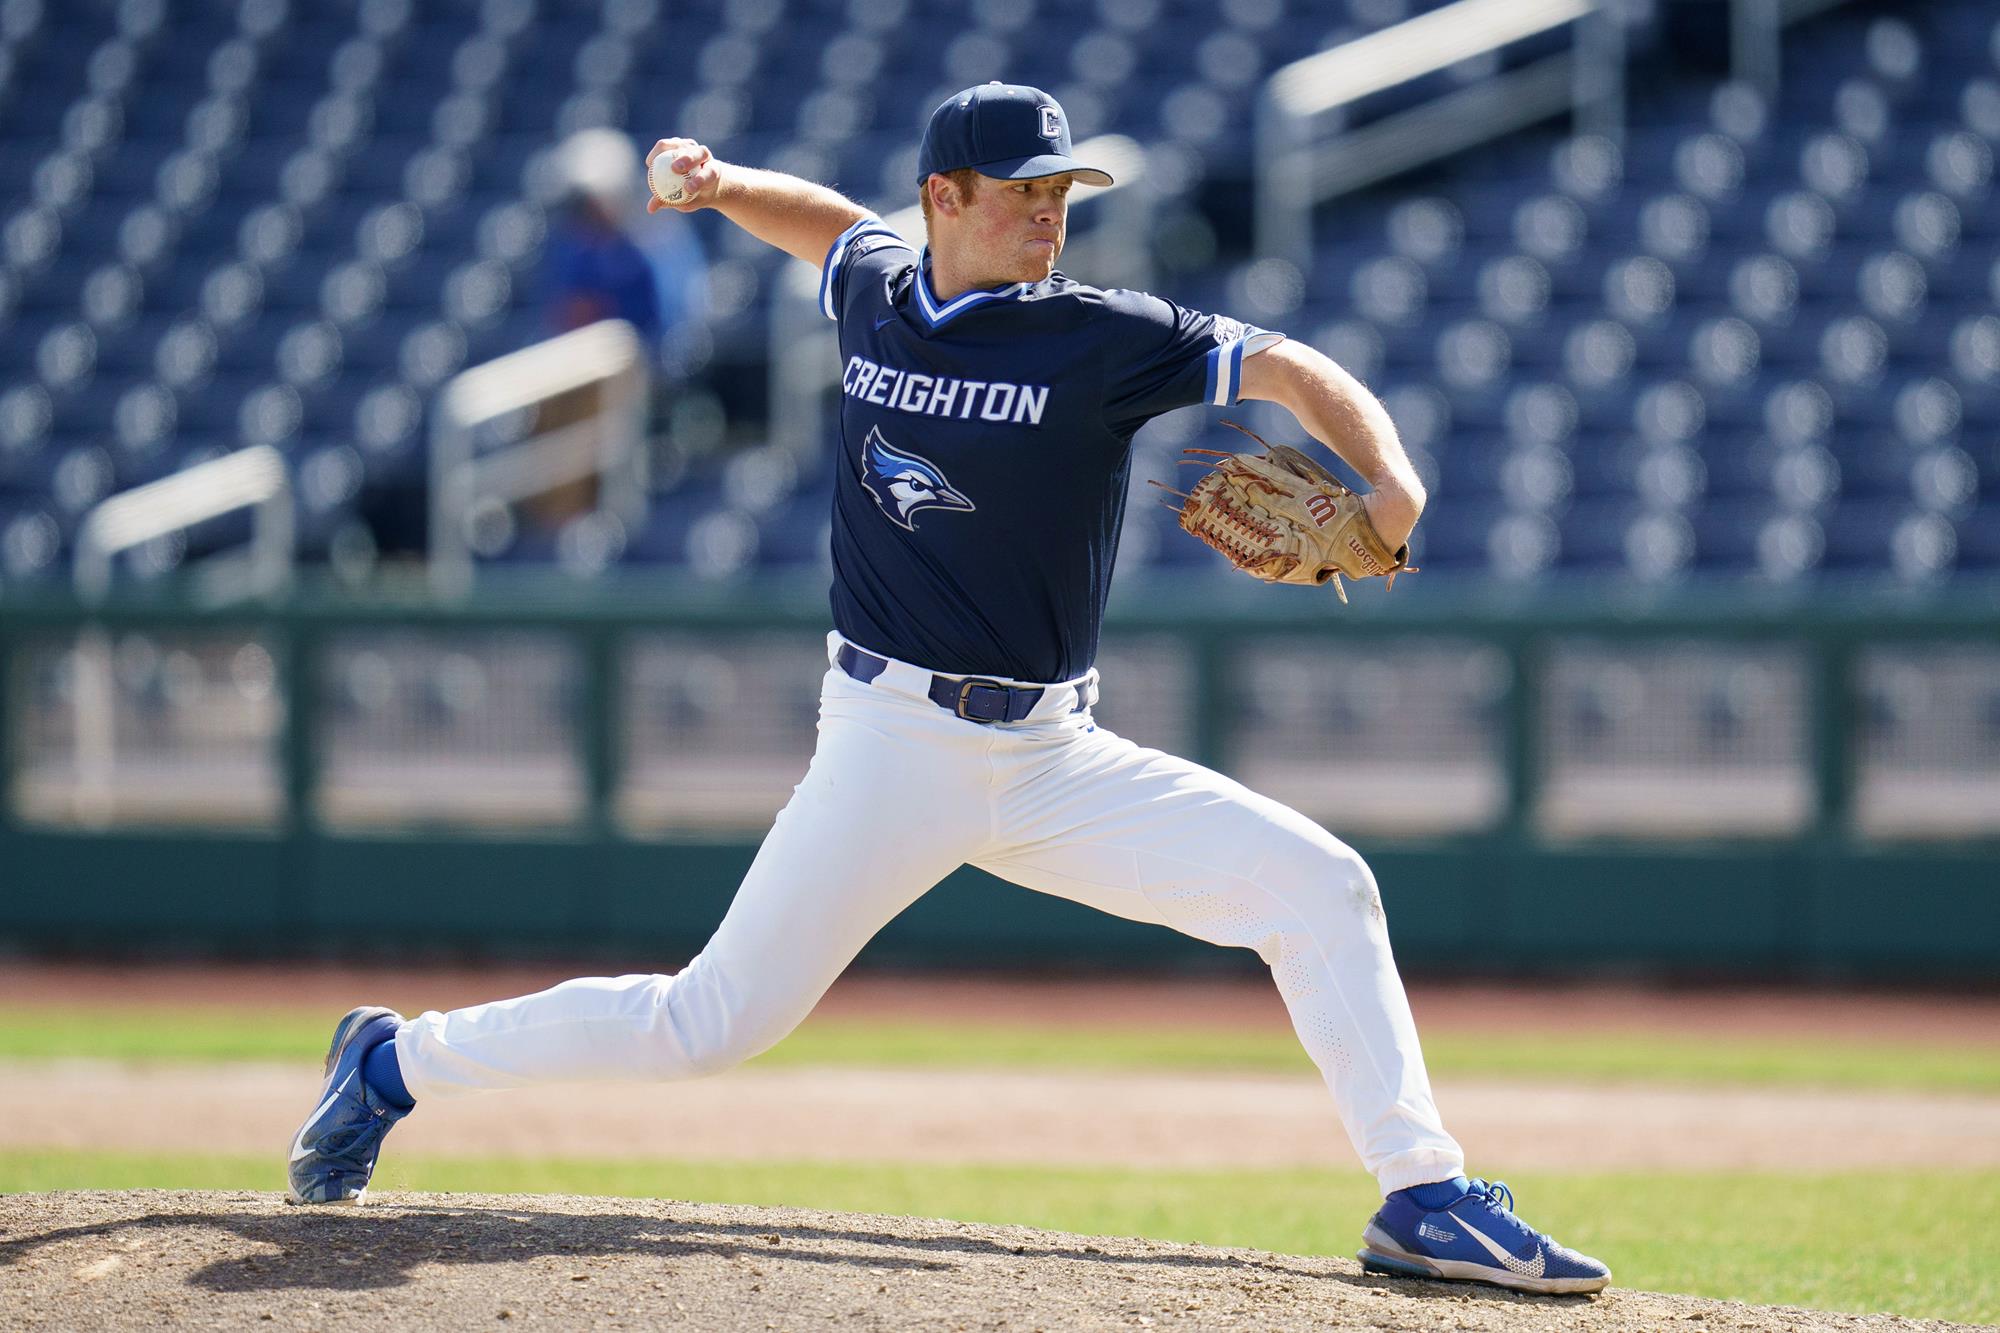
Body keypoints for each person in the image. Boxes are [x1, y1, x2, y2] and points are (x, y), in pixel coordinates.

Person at [286, 83, 1611, 1296]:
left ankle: (1421, 1193)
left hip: (1054, 758)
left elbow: (1284, 365)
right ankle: (396, 1058)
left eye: (1059, 193)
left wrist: (1386, 475)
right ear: (946, 200)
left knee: (1322, 885)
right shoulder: (876, 281)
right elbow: (829, 225)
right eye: (1022, 191)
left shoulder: (1098, 335)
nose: (1048, 214)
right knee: (707, 1021)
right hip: (890, 742)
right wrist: (722, 180)